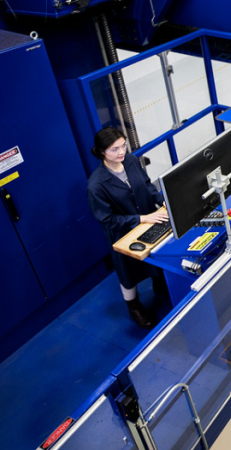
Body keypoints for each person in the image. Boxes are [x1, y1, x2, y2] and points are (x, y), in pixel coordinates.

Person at [87, 126, 169, 328]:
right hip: (123, 234)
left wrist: (162, 200)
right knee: (128, 273)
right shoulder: (96, 185)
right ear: (101, 151)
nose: (121, 151)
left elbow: (147, 185)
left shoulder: (130, 161)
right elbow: (107, 220)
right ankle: (134, 308)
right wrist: (141, 218)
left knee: (156, 256)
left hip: (150, 219)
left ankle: (160, 286)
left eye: (123, 145)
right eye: (115, 149)